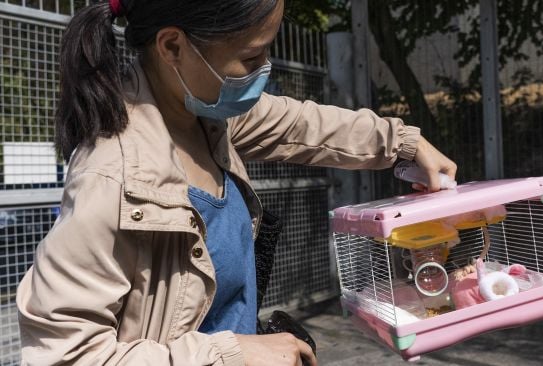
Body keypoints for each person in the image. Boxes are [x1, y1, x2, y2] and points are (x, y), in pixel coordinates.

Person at [16, 0, 457, 365]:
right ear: (173, 46)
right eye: (251, 57)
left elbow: (300, 124)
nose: (264, 70)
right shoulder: (109, 177)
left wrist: (403, 143)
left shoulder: (205, 115)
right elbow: (65, 355)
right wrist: (231, 354)